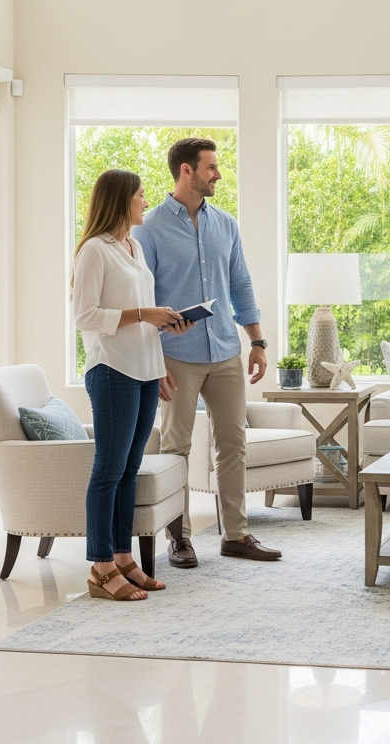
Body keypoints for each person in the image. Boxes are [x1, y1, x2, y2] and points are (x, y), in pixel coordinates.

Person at [134, 137, 279, 566]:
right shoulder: (149, 227)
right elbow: (142, 296)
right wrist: (153, 361)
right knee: (176, 447)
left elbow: (241, 285)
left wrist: (257, 341)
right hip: (175, 354)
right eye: (211, 167)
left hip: (225, 351)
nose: (218, 174)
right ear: (186, 171)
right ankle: (179, 538)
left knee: (233, 444)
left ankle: (236, 534)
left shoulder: (226, 224)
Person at [73, 169, 188, 601]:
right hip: (112, 371)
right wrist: (144, 313)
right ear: (122, 200)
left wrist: (159, 362)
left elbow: (144, 318)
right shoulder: (94, 252)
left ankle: (123, 557)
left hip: (142, 370)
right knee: (108, 469)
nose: (145, 201)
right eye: (140, 196)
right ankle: (100, 567)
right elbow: (85, 316)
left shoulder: (134, 247)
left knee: (128, 470)